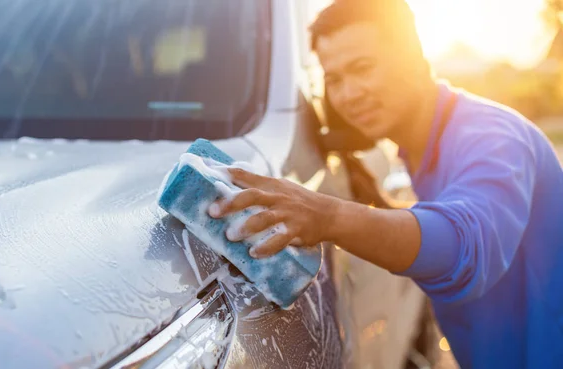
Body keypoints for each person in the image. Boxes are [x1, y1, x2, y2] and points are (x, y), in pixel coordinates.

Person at [208, 0, 563, 367]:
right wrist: (376, 203)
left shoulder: (492, 136)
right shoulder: (426, 145)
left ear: (414, 56)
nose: (348, 95)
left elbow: (468, 249)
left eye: (362, 68)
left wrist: (329, 215)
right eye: (334, 80)